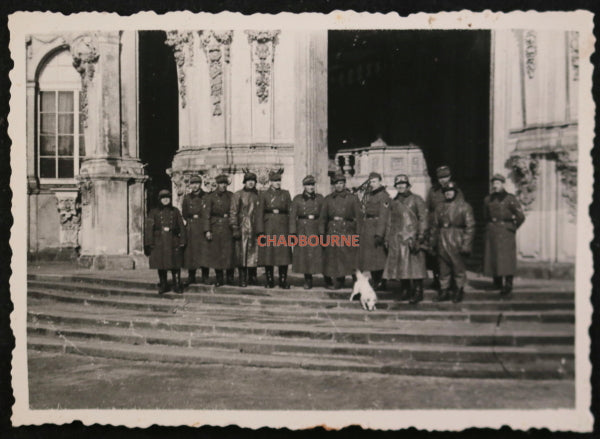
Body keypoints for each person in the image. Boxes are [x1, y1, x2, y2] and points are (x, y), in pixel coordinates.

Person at [377, 174, 428, 304]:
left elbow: (423, 218)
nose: (400, 187)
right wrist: (387, 238)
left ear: (408, 185)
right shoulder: (394, 202)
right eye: (398, 185)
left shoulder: (417, 200)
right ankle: (405, 290)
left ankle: (418, 291)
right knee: (402, 266)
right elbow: (389, 221)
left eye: (403, 184)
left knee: (416, 266)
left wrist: (421, 236)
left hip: (412, 237)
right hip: (397, 238)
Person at [429, 181, 475, 303]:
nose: (448, 194)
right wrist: (432, 242)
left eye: (451, 191)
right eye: (446, 192)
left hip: (457, 238)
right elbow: (434, 226)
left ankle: (459, 290)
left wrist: (466, 244)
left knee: (458, 266)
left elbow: (470, 227)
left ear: (455, 192)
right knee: (443, 268)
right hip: (442, 238)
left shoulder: (464, 206)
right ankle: (444, 291)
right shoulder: (439, 207)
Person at [483, 173, 525, 296]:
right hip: (493, 231)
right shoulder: (488, 199)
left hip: (506, 231)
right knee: (493, 256)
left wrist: (512, 228)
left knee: (507, 258)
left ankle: (508, 284)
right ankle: (497, 282)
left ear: (503, 184)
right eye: (493, 183)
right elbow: (485, 215)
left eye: (497, 183)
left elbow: (520, 216)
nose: (495, 186)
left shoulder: (510, 199)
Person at [321, 173, 362, 290]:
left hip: (347, 230)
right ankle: (339, 280)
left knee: (350, 256)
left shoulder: (352, 198)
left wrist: (358, 234)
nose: (339, 185)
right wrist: (322, 234)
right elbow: (323, 218)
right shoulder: (328, 199)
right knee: (335, 257)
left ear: (344, 184)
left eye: (341, 183)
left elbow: (358, 218)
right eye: (336, 183)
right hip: (332, 230)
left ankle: (356, 281)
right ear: (333, 185)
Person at [425, 165, 464, 290]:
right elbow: (428, 209)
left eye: (445, 177)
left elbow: (460, 210)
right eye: (441, 177)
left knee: (452, 257)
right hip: (436, 228)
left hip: (451, 230)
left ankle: (453, 283)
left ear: (450, 176)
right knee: (436, 257)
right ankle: (438, 281)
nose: (443, 180)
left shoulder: (455, 190)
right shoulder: (433, 191)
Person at [144, 189, 186, 294]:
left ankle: (177, 284)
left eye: (167, 198)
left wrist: (182, 241)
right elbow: (149, 228)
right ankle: (163, 285)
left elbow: (181, 226)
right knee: (161, 264)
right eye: (163, 198)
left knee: (175, 263)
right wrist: (148, 243)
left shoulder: (175, 211)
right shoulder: (154, 212)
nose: (166, 200)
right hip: (160, 241)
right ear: (160, 200)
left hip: (173, 240)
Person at [256, 170, 292, 289]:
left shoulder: (285, 194)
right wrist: (260, 230)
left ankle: (283, 279)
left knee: (283, 254)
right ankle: (270, 279)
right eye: (275, 181)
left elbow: (290, 212)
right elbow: (259, 213)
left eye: (279, 181)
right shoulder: (264, 195)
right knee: (269, 254)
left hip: (283, 225)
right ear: (270, 182)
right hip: (269, 226)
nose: (277, 183)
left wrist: (291, 231)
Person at [289, 175, 324, 289]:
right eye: (308, 185)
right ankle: (308, 279)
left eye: (312, 184)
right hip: (302, 228)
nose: (311, 187)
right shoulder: (297, 199)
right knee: (305, 255)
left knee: (318, 254)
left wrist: (322, 231)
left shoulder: (320, 198)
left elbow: (323, 216)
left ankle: (326, 278)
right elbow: (292, 216)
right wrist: (293, 233)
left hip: (315, 227)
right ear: (304, 186)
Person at [358, 172, 391, 290]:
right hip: (368, 228)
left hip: (377, 228)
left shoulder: (384, 196)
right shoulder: (369, 195)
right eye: (371, 182)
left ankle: (381, 281)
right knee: (370, 258)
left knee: (379, 257)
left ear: (380, 181)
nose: (372, 184)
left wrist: (380, 233)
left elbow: (384, 215)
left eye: (375, 181)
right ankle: (375, 280)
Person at [202, 174, 234, 287]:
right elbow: (206, 215)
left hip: (228, 227)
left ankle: (230, 278)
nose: (223, 186)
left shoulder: (231, 196)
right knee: (217, 253)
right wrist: (207, 230)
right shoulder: (211, 197)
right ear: (217, 184)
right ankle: (219, 278)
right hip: (215, 227)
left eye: (225, 184)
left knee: (229, 253)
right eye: (221, 183)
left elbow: (235, 212)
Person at [230, 172, 260, 287]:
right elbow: (233, 212)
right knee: (242, 253)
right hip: (243, 227)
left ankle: (253, 276)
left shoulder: (259, 195)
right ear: (245, 182)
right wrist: (234, 227)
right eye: (249, 180)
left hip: (256, 227)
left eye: (253, 180)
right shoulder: (238, 195)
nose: (251, 183)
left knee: (255, 253)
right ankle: (242, 278)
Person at [182, 175, 211, 286]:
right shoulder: (187, 198)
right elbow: (184, 213)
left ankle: (205, 276)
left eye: (197, 183)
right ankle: (191, 276)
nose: (195, 186)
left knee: (204, 251)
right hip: (191, 227)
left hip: (203, 225)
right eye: (192, 184)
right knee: (191, 252)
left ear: (200, 184)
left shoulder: (206, 197)